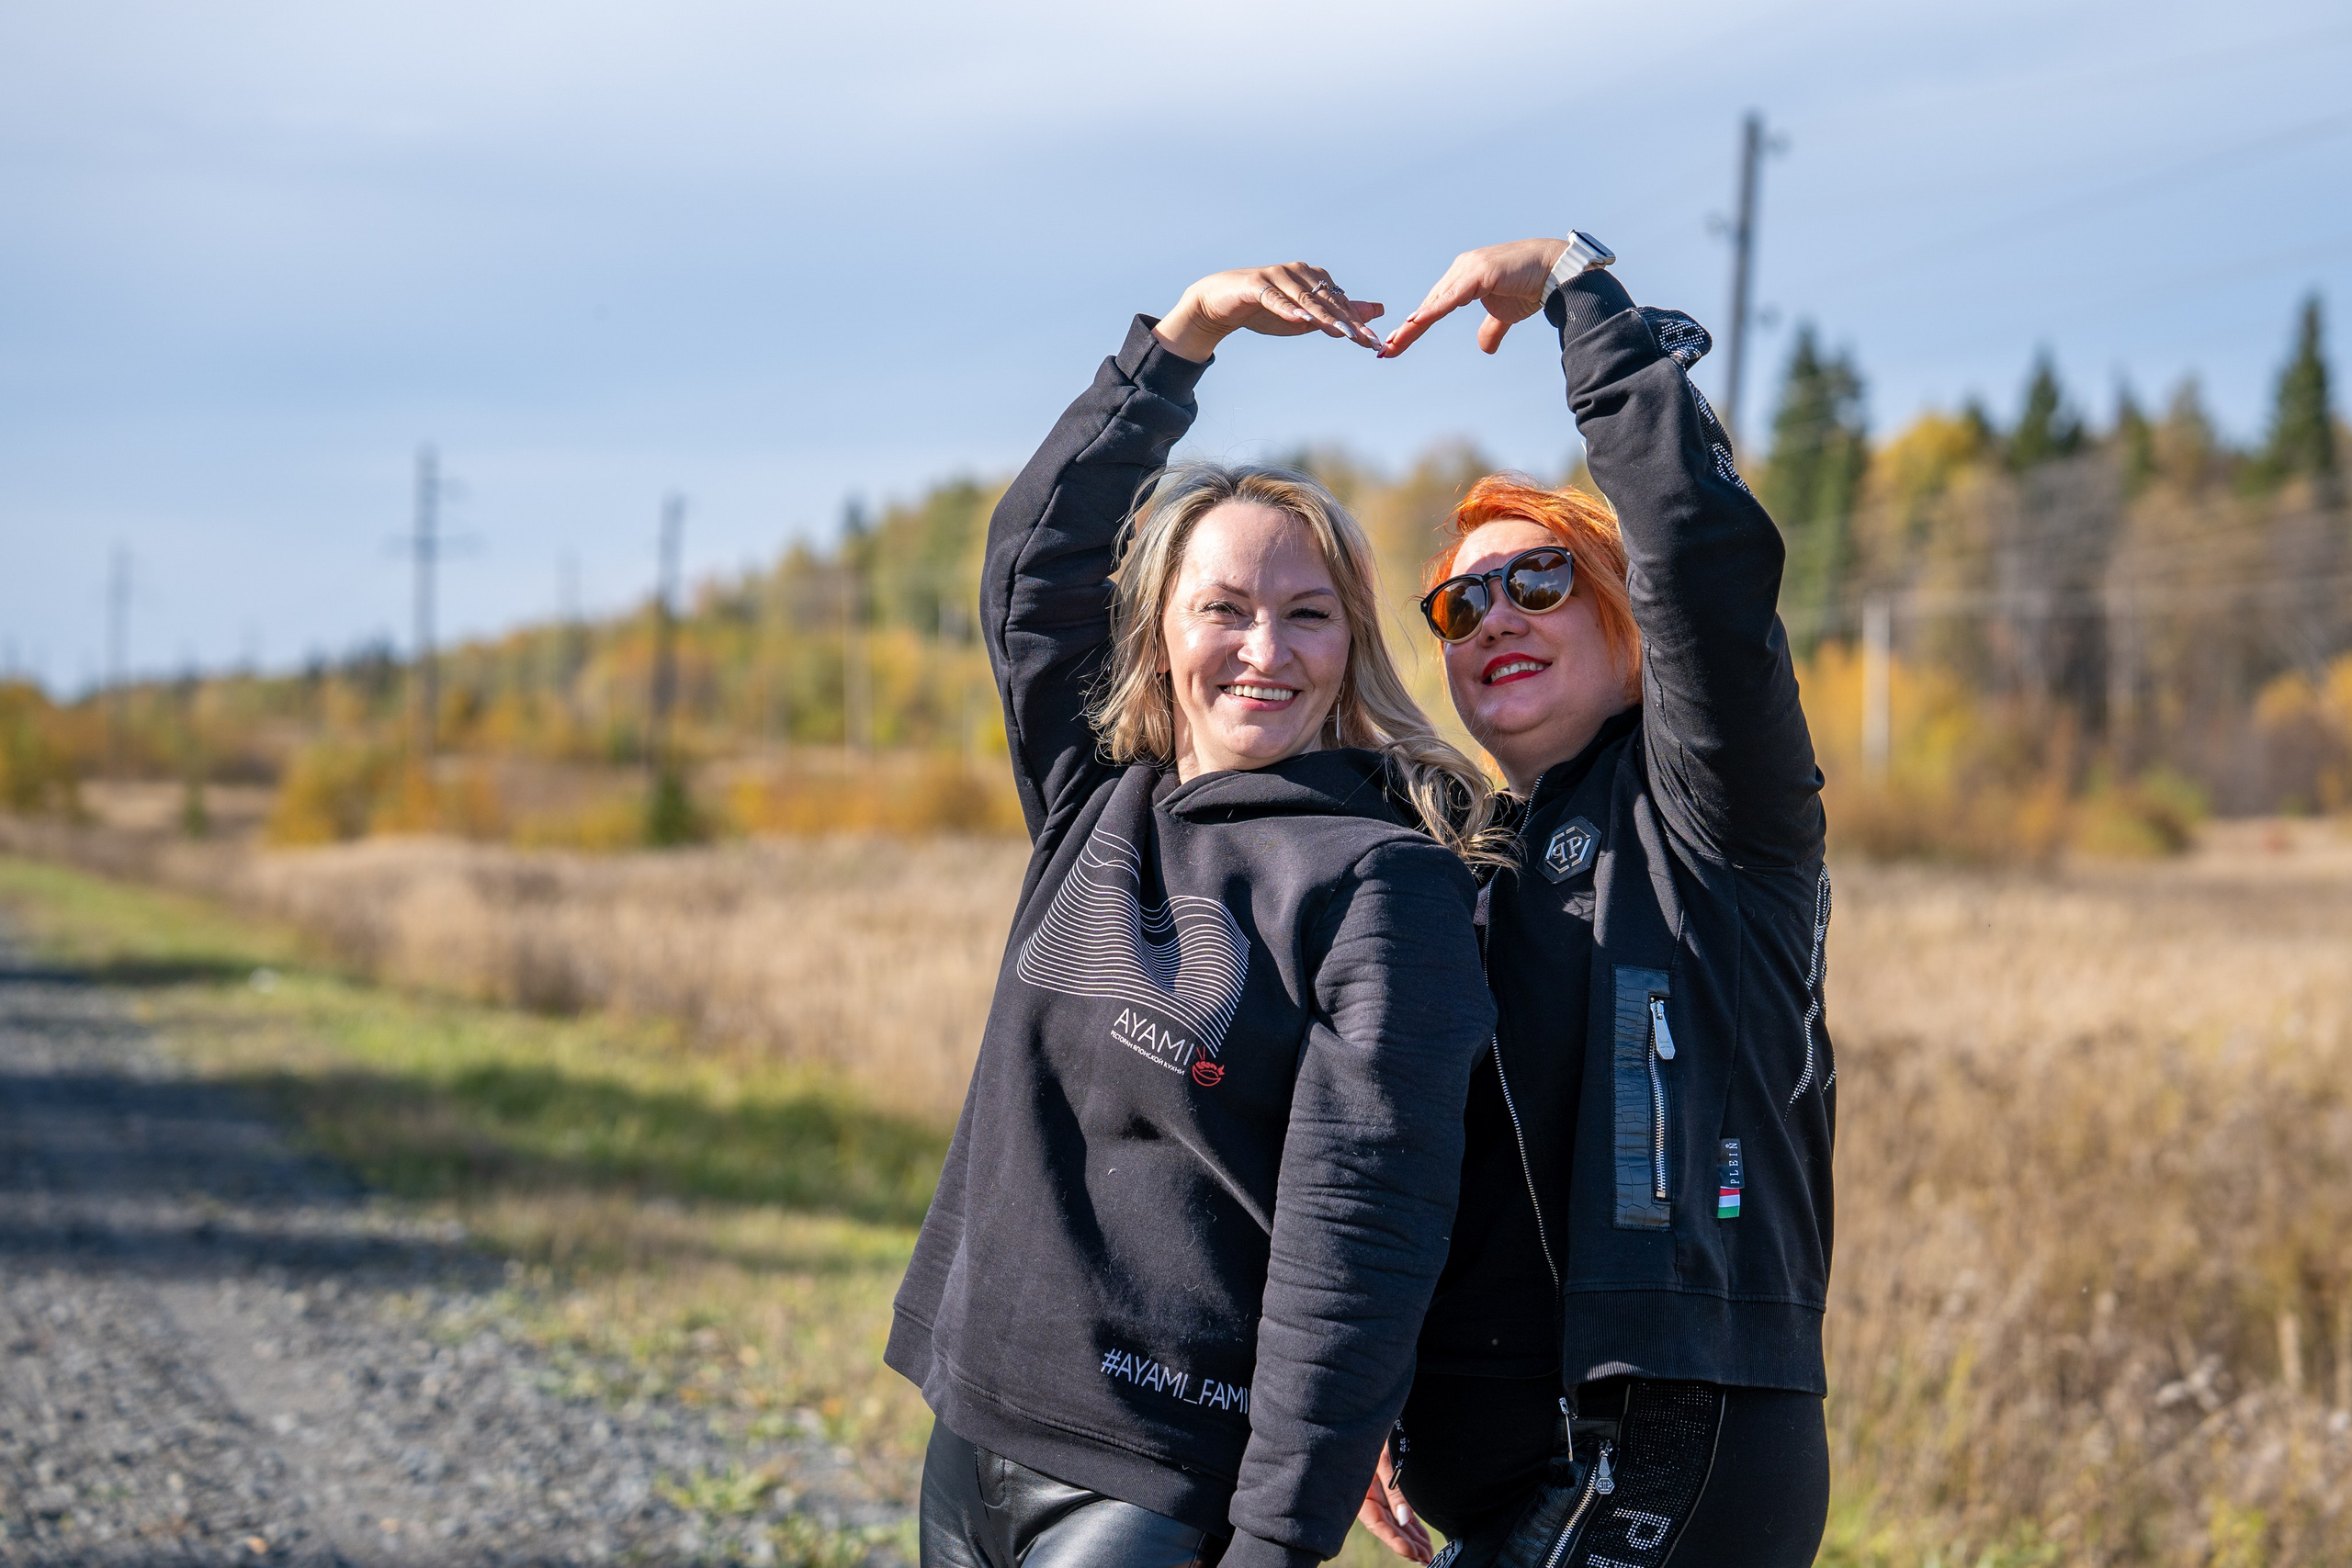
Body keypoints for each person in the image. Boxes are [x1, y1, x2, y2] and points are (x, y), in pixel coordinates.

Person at [888, 262, 1500, 1568]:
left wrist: (1279, 1539)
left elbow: (1362, 1244)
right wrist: (1182, 342)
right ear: (1162, 630)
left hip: (1159, 1487)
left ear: (1353, 648)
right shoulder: (1097, 802)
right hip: (973, 1430)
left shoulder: (1382, 885)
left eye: (1307, 617)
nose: (1264, 653)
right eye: (1224, 609)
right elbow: (1032, 563)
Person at [1357, 238, 1836, 1568]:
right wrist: (1384, 1393)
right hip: (1508, 1473)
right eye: (1458, 604)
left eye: (1541, 579)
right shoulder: (1472, 874)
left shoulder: (1709, 806)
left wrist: (1579, 291)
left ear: (1632, 625)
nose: (1493, 612)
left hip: (1676, 1428)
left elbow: (1701, 555)